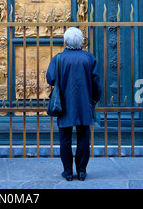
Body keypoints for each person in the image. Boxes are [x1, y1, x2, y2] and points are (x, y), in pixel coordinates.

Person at [46, 27, 101, 182]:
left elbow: (50, 79)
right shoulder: (89, 58)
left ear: (65, 41)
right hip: (84, 103)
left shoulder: (58, 58)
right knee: (84, 137)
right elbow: (96, 82)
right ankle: (82, 171)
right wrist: (95, 99)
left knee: (65, 138)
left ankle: (68, 172)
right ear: (81, 41)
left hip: (64, 103)